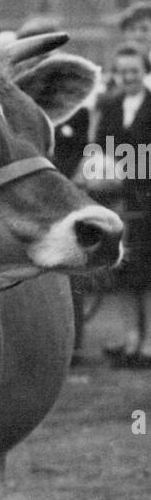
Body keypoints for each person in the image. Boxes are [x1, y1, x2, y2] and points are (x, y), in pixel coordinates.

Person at [90, 43, 151, 364]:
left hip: (147, 202)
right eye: (123, 71)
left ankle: (148, 342)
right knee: (125, 271)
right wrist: (102, 173)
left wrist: (129, 174)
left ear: (145, 72)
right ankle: (130, 338)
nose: (129, 77)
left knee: (148, 273)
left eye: (135, 71)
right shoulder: (111, 106)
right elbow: (99, 147)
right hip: (118, 202)